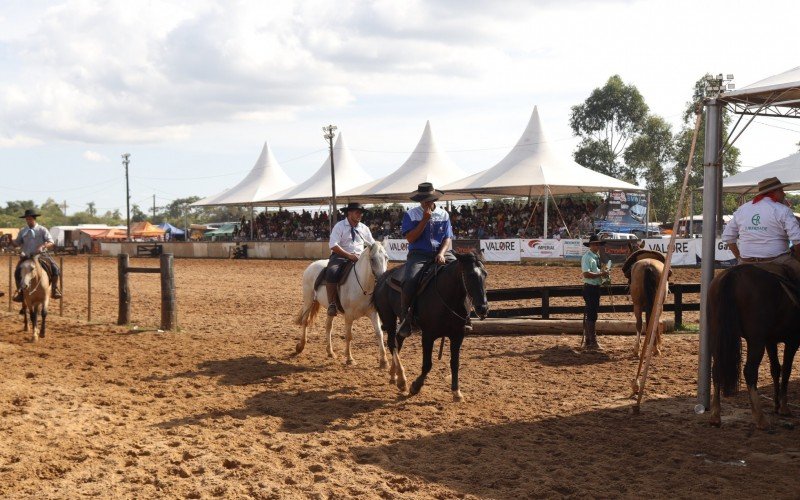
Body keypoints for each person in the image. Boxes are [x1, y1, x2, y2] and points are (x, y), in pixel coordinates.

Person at [397, 182, 456, 338]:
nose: (426, 203)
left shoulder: (444, 215)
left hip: (441, 252)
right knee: (409, 280)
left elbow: (447, 237)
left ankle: (463, 312)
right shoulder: (411, 215)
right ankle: (405, 318)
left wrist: (442, 253)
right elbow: (410, 239)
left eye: (428, 200)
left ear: (433, 199)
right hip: (419, 254)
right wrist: (424, 220)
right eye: (423, 200)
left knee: (462, 271)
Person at [722, 176, 800, 279]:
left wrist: (740, 259)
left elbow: (728, 237)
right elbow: (797, 240)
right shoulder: (783, 210)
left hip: (746, 261)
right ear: (774, 192)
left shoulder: (743, 209)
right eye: (781, 190)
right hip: (778, 260)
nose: (784, 194)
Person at [325, 202, 375, 317]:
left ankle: (375, 301)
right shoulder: (340, 226)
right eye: (357, 213)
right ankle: (332, 303)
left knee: (376, 273)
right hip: (340, 256)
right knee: (332, 271)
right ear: (349, 213)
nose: (360, 215)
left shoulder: (364, 228)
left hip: (360, 257)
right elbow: (333, 245)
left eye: (361, 213)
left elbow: (372, 244)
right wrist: (348, 255)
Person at [12, 209, 62, 302]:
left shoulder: (42, 229)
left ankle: (54, 290)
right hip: (26, 256)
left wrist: (43, 246)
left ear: (34, 219)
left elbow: (51, 242)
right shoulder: (23, 231)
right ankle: (21, 293)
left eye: (30, 219)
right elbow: (18, 243)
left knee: (55, 268)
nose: (28, 221)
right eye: (27, 219)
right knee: (17, 272)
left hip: (41, 256)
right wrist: (11, 241)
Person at [581, 234, 609, 350]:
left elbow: (595, 272)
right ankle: (593, 341)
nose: (597, 246)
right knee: (592, 314)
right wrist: (601, 274)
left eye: (598, 244)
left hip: (594, 287)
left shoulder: (595, 256)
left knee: (592, 313)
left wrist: (603, 274)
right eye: (595, 244)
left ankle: (589, 340)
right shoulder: (587, 257)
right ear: (590, 245)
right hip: (590, 287)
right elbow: (586, 274)